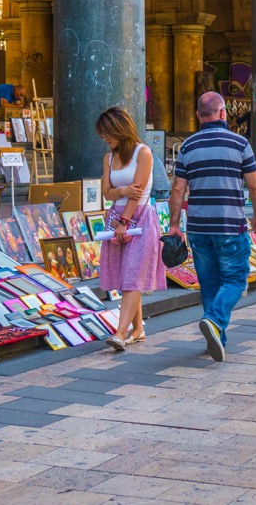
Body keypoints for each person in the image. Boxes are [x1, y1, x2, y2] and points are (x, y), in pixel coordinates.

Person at [169, 92, 256, 363]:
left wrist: (174, 224)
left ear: (199, 116)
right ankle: (213, 319)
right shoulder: (239, 143)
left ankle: (218, 339)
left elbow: (177, 189)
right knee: (235, 279)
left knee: (210, 283)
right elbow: (255, 185)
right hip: (230, 226)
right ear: (223, 113)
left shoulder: (188, 146)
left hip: (198, 228)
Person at [95, 107, 165, 351]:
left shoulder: (142, 153)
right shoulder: (108, 158)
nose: (105, 138)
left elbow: (139, 193)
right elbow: (106, 193)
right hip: (115, 217)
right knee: (126, 275)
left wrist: (125, 221)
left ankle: (120, 333)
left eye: (107, 133)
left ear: (119, 129)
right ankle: (138, 329)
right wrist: (121, 192)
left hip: (140, 219)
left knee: (132, 276)